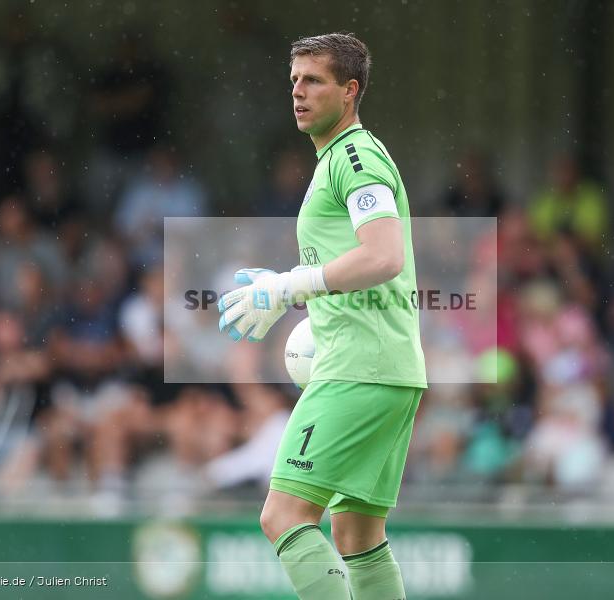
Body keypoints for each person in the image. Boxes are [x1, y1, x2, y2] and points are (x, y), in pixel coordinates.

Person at [217, 33, 424, 600]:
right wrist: (284, 286)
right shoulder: (335, 158)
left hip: (359, 368)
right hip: (389, 370)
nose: (298, 93)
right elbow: (350, 261)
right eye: (293, 81)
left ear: (350, 91)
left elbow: (384, 256)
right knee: (356, 534)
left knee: (283, 515)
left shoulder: (355, 157)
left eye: (314, 81)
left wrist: (289, 288)